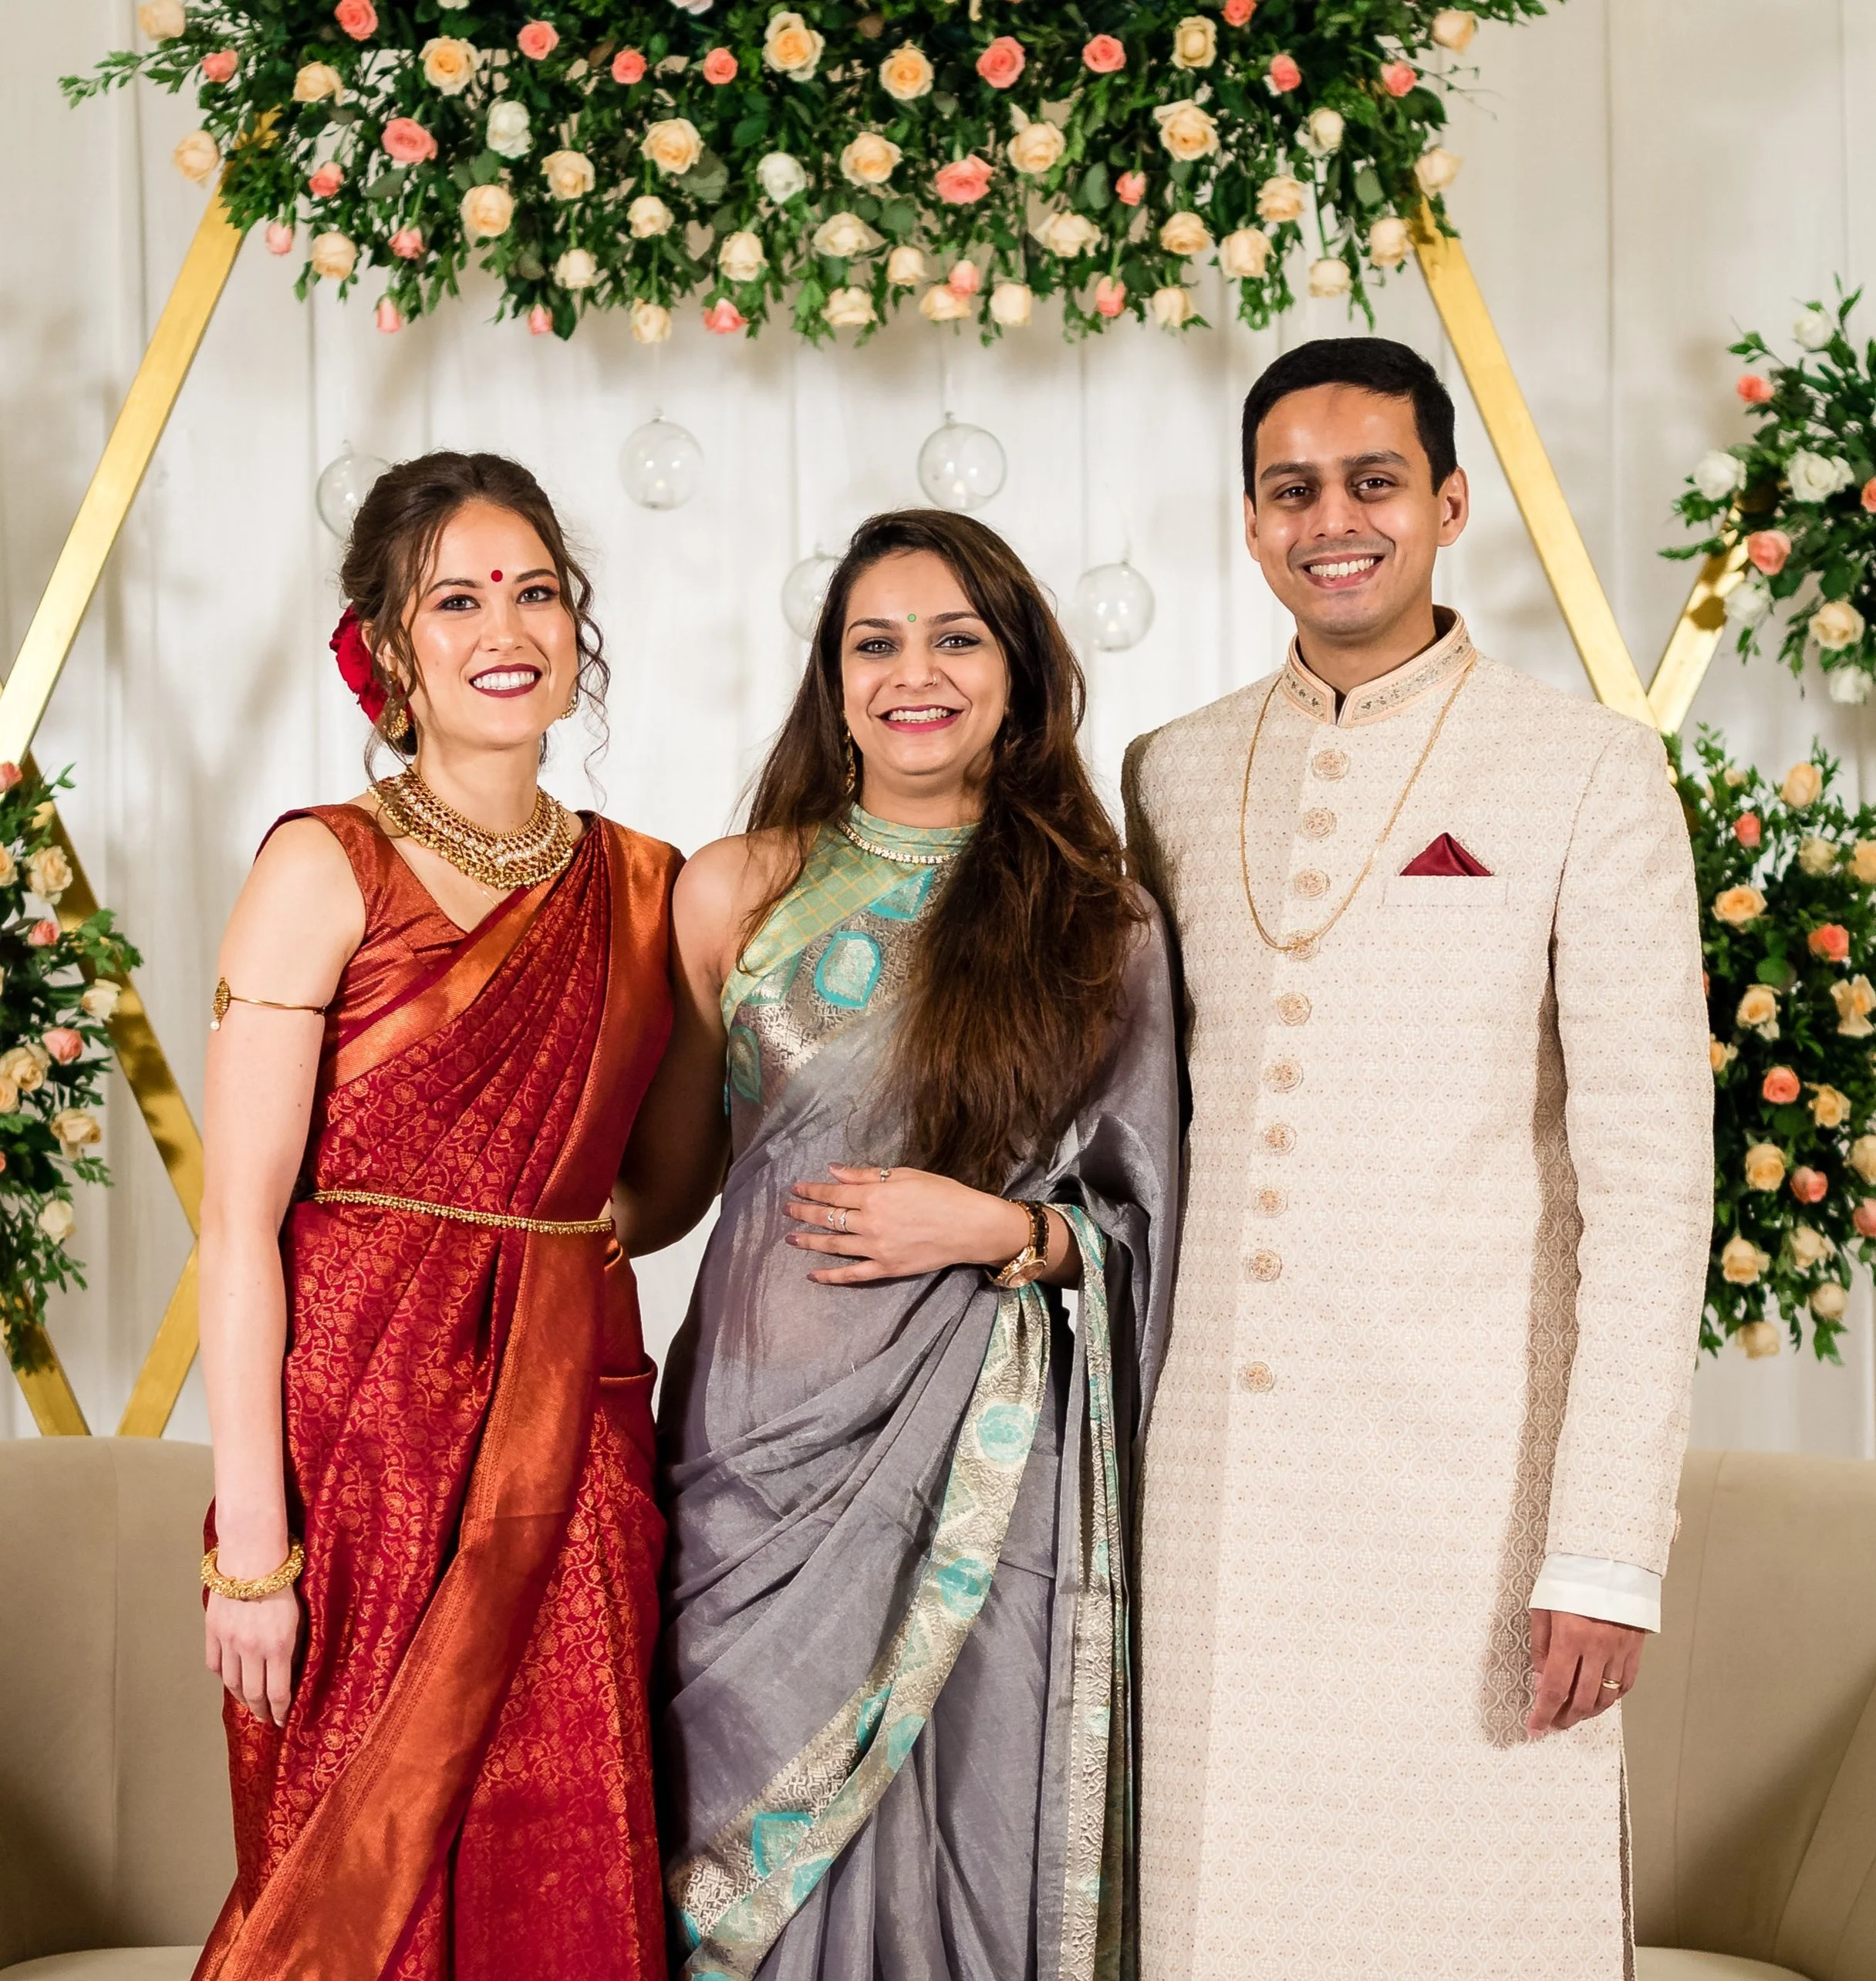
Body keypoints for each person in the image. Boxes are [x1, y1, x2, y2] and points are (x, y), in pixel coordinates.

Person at [1123, 339, 1714, 1978]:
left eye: (1372, 482)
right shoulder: (1169, 773)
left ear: (1448, 505)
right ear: (1250, 523)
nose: (1333, 521)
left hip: (1471, 1503)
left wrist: (1605, 1551)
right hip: (1207, 1505)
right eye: (1292, 490)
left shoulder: (1586, 771)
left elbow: (1652, 1192)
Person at [635, 508, 1179, 1981]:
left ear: (1021, 673)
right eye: (875, 643)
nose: (914, 674)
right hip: (751, 1446)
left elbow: (1149, 1214)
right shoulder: (733, 889)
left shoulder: (1097, 922)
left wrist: (999, 1226)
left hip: (981, 1454)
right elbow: (663, 1190)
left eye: (957, 640)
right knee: (730, 1824)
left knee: (960, 1813)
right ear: (833, 677)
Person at [194, 452, 694, 1980]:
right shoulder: (323, 865)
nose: (508, 628)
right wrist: (252, 1546)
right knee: (348, 1879)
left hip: (568, 1440)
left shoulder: (642, 886)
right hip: (354, 1462)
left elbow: (661, 1187)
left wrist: (545, 1260)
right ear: (386, 649)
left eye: (535, 592)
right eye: (457, 600)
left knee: (572, 1838)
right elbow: (237, 1223)